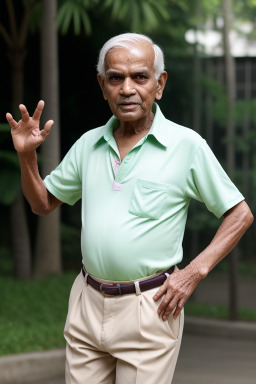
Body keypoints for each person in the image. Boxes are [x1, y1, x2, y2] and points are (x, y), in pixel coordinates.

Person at [6, 33, 253, 384]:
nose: (127, 88)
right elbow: (42, 203)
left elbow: (240, 214)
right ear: (102, 85)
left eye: (139, 76)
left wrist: (193, 273)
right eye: (115, 78)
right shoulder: (88, 144)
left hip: (150, 306)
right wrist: (27, 157)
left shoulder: (186, 146)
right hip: (87, 302)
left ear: (159, 84)